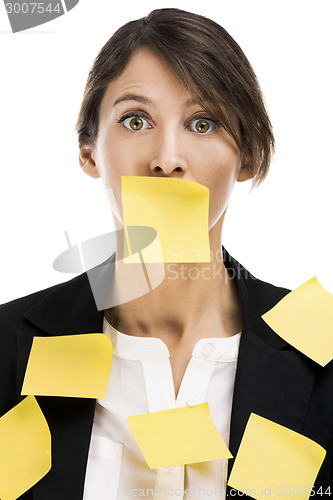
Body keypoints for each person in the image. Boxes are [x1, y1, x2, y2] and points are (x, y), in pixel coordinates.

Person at [0, 8, 332, 500]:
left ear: (248, 157)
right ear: (89, 152)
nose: (167, 158)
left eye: (203, 122)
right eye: (136, 120)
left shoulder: (324, 351)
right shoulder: (6, 346)